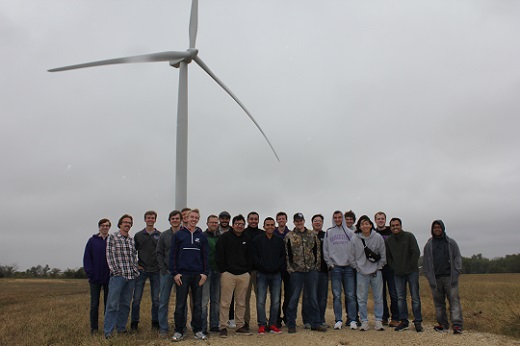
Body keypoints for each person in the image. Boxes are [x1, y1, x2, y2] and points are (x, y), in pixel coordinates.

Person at [169, 209, 209, 341]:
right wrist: (175, 273)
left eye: (196, 217)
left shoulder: (201, 236)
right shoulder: (179, 235)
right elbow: (173, 255)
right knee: (180, 305)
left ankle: (197, 330)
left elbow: (205, 257)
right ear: (186, 218)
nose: (194, 219)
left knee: (197, 304)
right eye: (192, 216)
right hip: (182, 275)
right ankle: (179, 331)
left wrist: (204, 274)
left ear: (198, 219)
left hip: (197, 275)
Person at [284, 213, 327, 333]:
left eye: (301, 220)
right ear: (294, 222)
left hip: (311, 271)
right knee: (294, 298)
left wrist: (316, 267)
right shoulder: (289, 236)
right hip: (297, 272)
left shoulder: (312, 235)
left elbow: (317, 252)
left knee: (313, 298)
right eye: (297, 221)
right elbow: (287, 255)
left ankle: (315, 323)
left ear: (304, 221)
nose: (299, 222)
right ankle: (291, 323)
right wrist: (290, 269)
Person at [423, 220, 463, 334]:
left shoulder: (451, 243)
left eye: (439, 227)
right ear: (432, 229)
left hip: (450, 278)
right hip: (435, 279)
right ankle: (443, 324)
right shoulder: (429, 245)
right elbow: (426, 263)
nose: (437, 229)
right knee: (439, 304)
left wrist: (456, 273)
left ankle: (457, 325)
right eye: (435, 227)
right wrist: (429, 277)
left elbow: (457, 258)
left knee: (454, 302)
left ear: (443, 228)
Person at [216, 214, 253, 337]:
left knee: (241, 302)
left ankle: (240, 326)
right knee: (225, 302)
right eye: (237, 224)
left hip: (243, 275)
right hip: (228, 274)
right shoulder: (224, 238)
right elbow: (219, 255)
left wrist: (248, 271)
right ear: (233, 225)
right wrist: (224, 270)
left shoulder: (247, 238)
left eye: (242, 224)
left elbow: (250, 257)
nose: (239, 226)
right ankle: (223, 327)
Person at [104, 214, 140, 338]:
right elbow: (109, 255)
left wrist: (135, 270)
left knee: (125, 304)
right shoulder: (113, 237)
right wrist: (116, 271)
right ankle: (108, 331)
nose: (127, 224)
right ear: (120, 224)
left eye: (129, 223)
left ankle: (121, 328)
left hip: (130, 277)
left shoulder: (131, 239)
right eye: (125, 222)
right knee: (112, 304)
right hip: (118, 276)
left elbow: (134, 257)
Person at [349, 215, 386, 332]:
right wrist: (358, 269)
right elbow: (351, 257)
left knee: (378, 297)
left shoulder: (378, 237)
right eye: (362, 224)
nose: (365, 226)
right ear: (359, 226)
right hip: (361, 273)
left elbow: (383, 255)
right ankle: (364, 321)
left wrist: (378, 267)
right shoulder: (355, 238)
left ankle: (378, 321)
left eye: (367, 223)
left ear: (371, 225)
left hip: (376, 272)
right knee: (361, 298)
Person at [385, 218, 423, 332]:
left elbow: (416, 252)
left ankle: (418, 322)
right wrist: (394, 267)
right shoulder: (389, 240)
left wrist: (409, 266)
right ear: (390, 227)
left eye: (397, 225)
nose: (395, 227)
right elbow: (388, 257)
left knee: (415, 297)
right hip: (397, 273)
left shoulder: (409, 236)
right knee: (401, 298)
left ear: (401, 226)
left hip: (411, 272)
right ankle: (404, 321)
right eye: (392, 225)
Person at [323, 211, 357, 330]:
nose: (337, 219)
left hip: (348, 268)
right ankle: (338, 320)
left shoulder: (350, 232)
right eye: (335, 218)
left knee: (351, 295)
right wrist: (330, 264)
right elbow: (325, 250)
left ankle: (353, 319)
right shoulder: (329, 232)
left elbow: (354, 249)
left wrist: (352, 264)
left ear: (342, 218)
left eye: (339, 217)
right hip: (335, 268)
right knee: (337, 295)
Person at [251, 217, 285, 334]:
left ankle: (272, 324)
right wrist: (262, 265)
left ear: (274, 226)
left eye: (272, 225)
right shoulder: (257, 240)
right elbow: (254, 257)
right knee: (261, 300)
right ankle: (262, 325)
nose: (270, 227)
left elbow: (282, 257)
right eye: (267, 225)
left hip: (276, 274)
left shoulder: (279, 241)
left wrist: (277, 266)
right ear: (264, 226)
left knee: (275, 301)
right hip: (262, 274)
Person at [131, 211, 161, 331]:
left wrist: (160, 264)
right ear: (145, 219)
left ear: (155, 220)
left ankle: (155, 322)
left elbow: (162, 251)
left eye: (152, 218)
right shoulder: (138, 235)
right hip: (142, 270)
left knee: (156, 299)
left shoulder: (160, 235)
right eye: (148, 218)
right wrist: (136, 264)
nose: (150, 220)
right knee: (137, 299)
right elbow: (132, 251)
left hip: (156, 270)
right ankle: (134, 323)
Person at [83, 218, 111, 335]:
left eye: (107, 226)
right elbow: (87, 258)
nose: (105, 227)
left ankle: (107, 328)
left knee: (108, 304)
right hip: (95, 279)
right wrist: (91, 273)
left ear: (109, 227)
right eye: (103, 225)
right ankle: (94, 329)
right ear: (99, 227)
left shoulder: (112, 240)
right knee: (94, 304)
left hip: (109, 278)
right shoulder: (92, 241)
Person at [156, 210, 182, 338]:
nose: (175, 220)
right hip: (167, 273)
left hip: (182, 273)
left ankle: (180, 328)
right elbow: (159, 253)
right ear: (169, 220)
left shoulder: (185, 234)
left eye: (177, 218)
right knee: (163, 301)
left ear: (181, 220)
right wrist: (163, 269)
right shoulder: (164, 235)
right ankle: (163, 329)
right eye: (173, 218)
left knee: (181, 302)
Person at [302, 214, 329, 329]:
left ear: (322, 223)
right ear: (312, 223)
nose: (317, 222)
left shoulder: (326, 235)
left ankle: (320, 319)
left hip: (323, 270)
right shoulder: (307, 235)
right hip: (310, 271)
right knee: (308, 296)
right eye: (315, 221)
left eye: (319, 221)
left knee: (322, 297)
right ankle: (307, 320)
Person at [374, 211, 399, 327]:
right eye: (378, 218)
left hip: (391, 267)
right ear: (375, 220)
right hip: (379, 267)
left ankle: (395, 318)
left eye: (382, 218)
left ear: (385, 220)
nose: (380, 220)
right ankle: (384, 317)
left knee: (394, 293)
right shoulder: (373, 232)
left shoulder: (391, 231)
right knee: (381, 294)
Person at [201, 214, 222, 334]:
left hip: (217, 271)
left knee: (216, 300)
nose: (214, 224)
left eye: (216, 222)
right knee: (204, 300)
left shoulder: (221, 237)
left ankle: (214, 325)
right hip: (205, 272)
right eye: (212, 222)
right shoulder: (202, 236)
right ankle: (203, 327)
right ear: (207, 223)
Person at [244, 211, 264, 329]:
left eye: (256, 219)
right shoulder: (243, 233)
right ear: (248, 220)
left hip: (259, 271)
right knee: (245, 298)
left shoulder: (262, 234)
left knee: (260, 298)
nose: (253, 221)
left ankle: (262, 322)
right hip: (245, 271)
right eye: (251, 219)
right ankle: (245, 322)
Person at [217, 210, 236, 328]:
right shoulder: (214, 232)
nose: (224, 220)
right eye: (222, 218)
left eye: (226, 218)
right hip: (217, 267)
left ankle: (231, 318)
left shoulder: (233, 232)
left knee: (231, 295)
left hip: (230, 268)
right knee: (218, 296)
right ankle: (219, 319)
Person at [273, 211, 291, 328]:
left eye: (283, 218)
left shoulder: (291, 234)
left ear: (286, 220)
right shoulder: (271, 233)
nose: (281, 220)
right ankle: (276, 318)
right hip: (276, 268)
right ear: (276, 220)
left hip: (288, 268)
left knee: (289, 293)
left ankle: (287, 316)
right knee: (276, 295)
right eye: (279, 218)